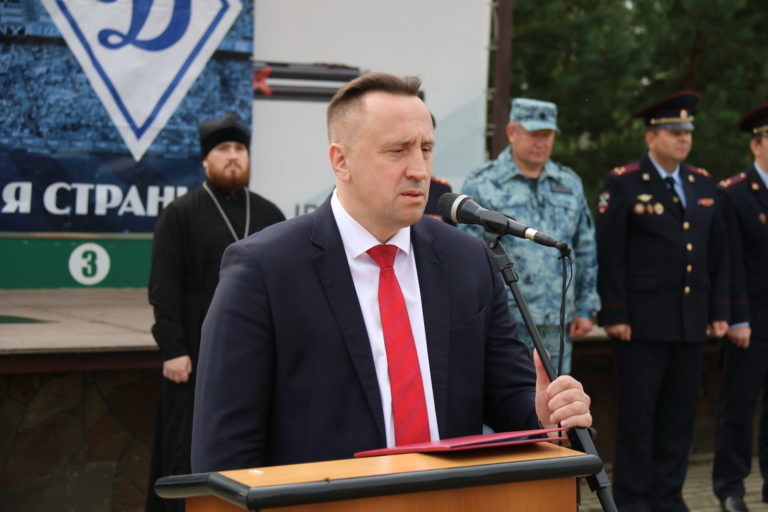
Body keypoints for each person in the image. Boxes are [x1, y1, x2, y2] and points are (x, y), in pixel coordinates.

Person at [190, 72, 592, 473]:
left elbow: (509, 397)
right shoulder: (264, 270)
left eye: (426, 149)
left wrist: (543, 416)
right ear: (341, 161)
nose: (419, 169)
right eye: (398, 150)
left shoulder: (468, 260)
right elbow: (225, 449)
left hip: (451, 497)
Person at [596, 91, 729, 512]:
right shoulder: (624, 182)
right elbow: (610, 252)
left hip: (690, 320)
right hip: (641, 322)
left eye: (687, 131)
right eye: (673, 131)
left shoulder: (702, 183)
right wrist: (615, 311)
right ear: (651, 136)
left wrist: (719, 311)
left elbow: (716, 254)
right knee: (638, 416)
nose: (683, 138)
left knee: (679, 414)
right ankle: (633, 498)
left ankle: (668, 495)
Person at [146, 113, 285, 511]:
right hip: (194, 348)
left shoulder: (269, 215)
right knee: (184, 446)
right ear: (206, 161)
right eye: (223, 149)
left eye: (239, 148)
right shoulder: (180, 214)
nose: (233, 156)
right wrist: (173, 349)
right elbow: (163, 287)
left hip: (259, 346)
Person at [459, 98, 600, 375]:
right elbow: (466, 256)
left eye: (547, 135)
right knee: (504, 396)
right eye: (534, 134)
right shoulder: (483, 183)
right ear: (512, 132)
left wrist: (586, 308)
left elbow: (585, 249)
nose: (541, 143)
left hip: (556, 322)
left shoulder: (568, 183)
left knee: (555, 397)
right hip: (503, 321)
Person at [712, 102, 768, 512]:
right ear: (756, 144)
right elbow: (727, 261)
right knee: (738, 407)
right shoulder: (733, 193)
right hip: (750, 321)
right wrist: (737, 317)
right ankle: (730, 488)